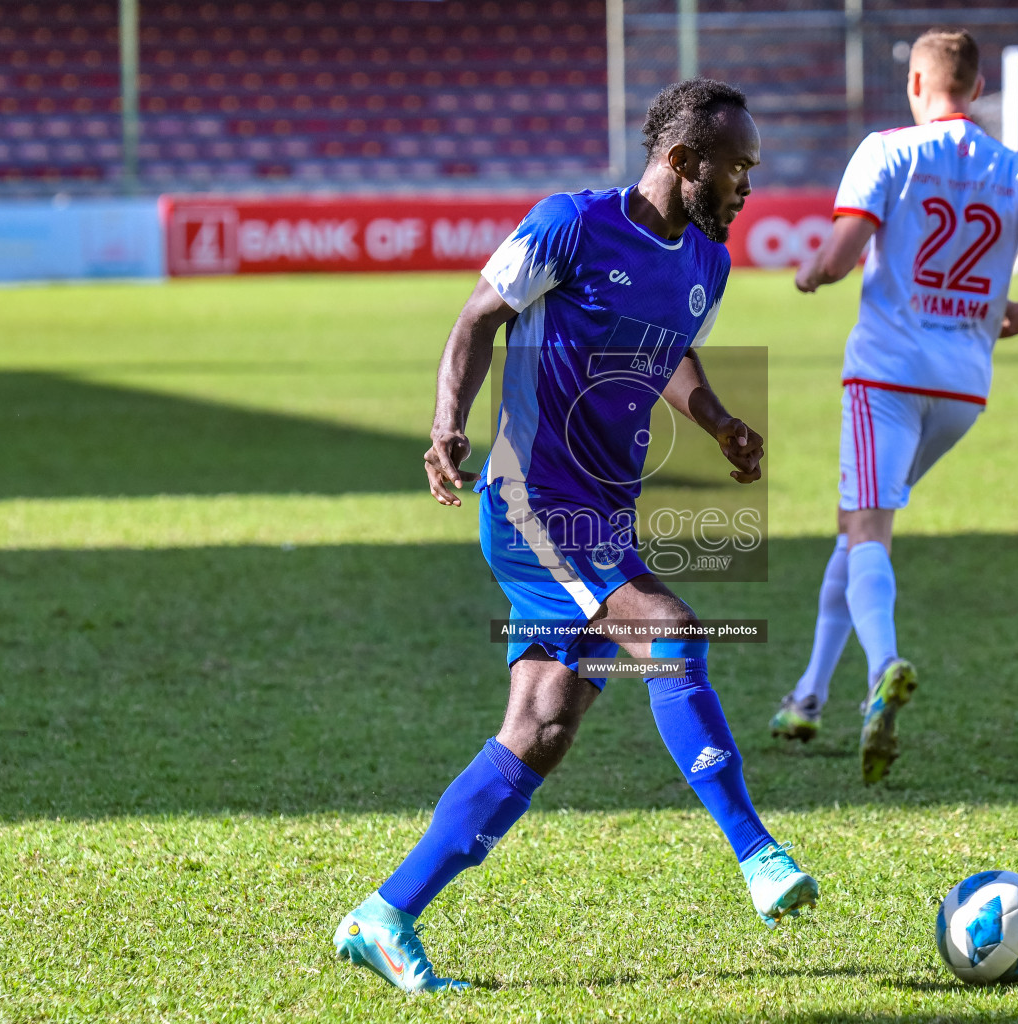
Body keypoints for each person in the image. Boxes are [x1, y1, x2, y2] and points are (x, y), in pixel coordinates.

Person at [332, 79, 819, 995]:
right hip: (533, 502)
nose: (749, 186)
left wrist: (716, 422)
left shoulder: (706, 262)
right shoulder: (569, 225)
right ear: (682, 161)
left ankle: (385, 914)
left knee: (543, 727)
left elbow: (668, 351)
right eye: (738, 167)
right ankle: (756, 852)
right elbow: (479, 318)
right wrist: (448, 426)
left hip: (604, 514)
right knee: (670, 635)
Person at [768, 28, 1018, 784]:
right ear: (978, 89)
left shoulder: (887, 150)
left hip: (885, 373)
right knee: (859, 529)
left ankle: (882, 667)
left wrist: (811, 274)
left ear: (918, 84)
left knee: (867, 528)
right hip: (962, 388)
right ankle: (808, 696)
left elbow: (845, 250)